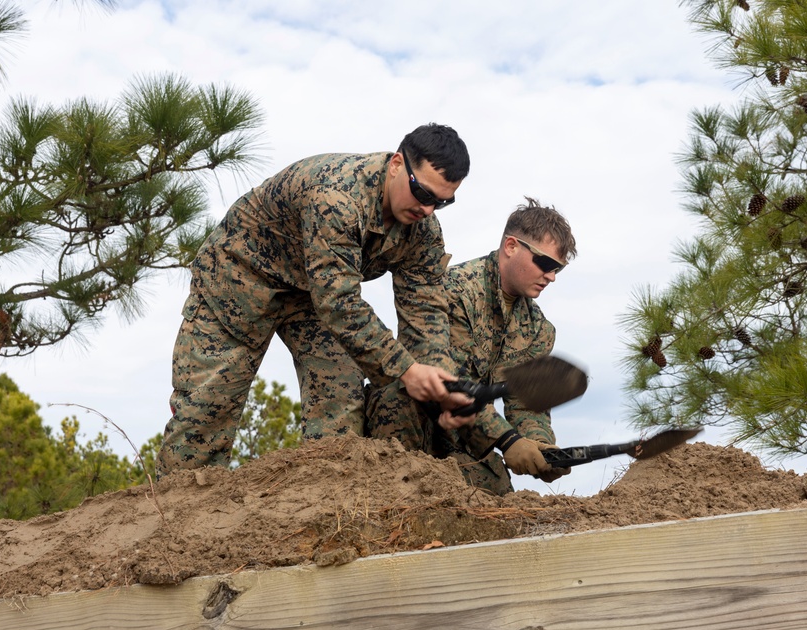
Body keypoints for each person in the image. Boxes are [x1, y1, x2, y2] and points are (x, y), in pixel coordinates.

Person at [157, 123, 473, 475]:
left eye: (442, 202)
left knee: (340, 396)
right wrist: (406, 370)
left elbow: (426, 312)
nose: (428, 210)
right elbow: (339, 303)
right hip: (238, 279)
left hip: (309, 295)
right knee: (207, 409)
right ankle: (174, 519)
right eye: (423, 194)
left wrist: (441, 386)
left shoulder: (423, 232)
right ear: (397, 164)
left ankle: (330, 502)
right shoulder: (337, 196)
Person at [366, 197, 577, 495]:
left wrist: (539, 446)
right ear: (511, 247)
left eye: (559, 268)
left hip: (464, 440)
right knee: (396, 406)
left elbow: (524, 404)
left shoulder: (538, 330)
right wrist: (508, 440)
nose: (552, 277)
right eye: (545, 263)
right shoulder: (455, 291)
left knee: (499, 495)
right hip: (414, 422)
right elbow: (452, 383)